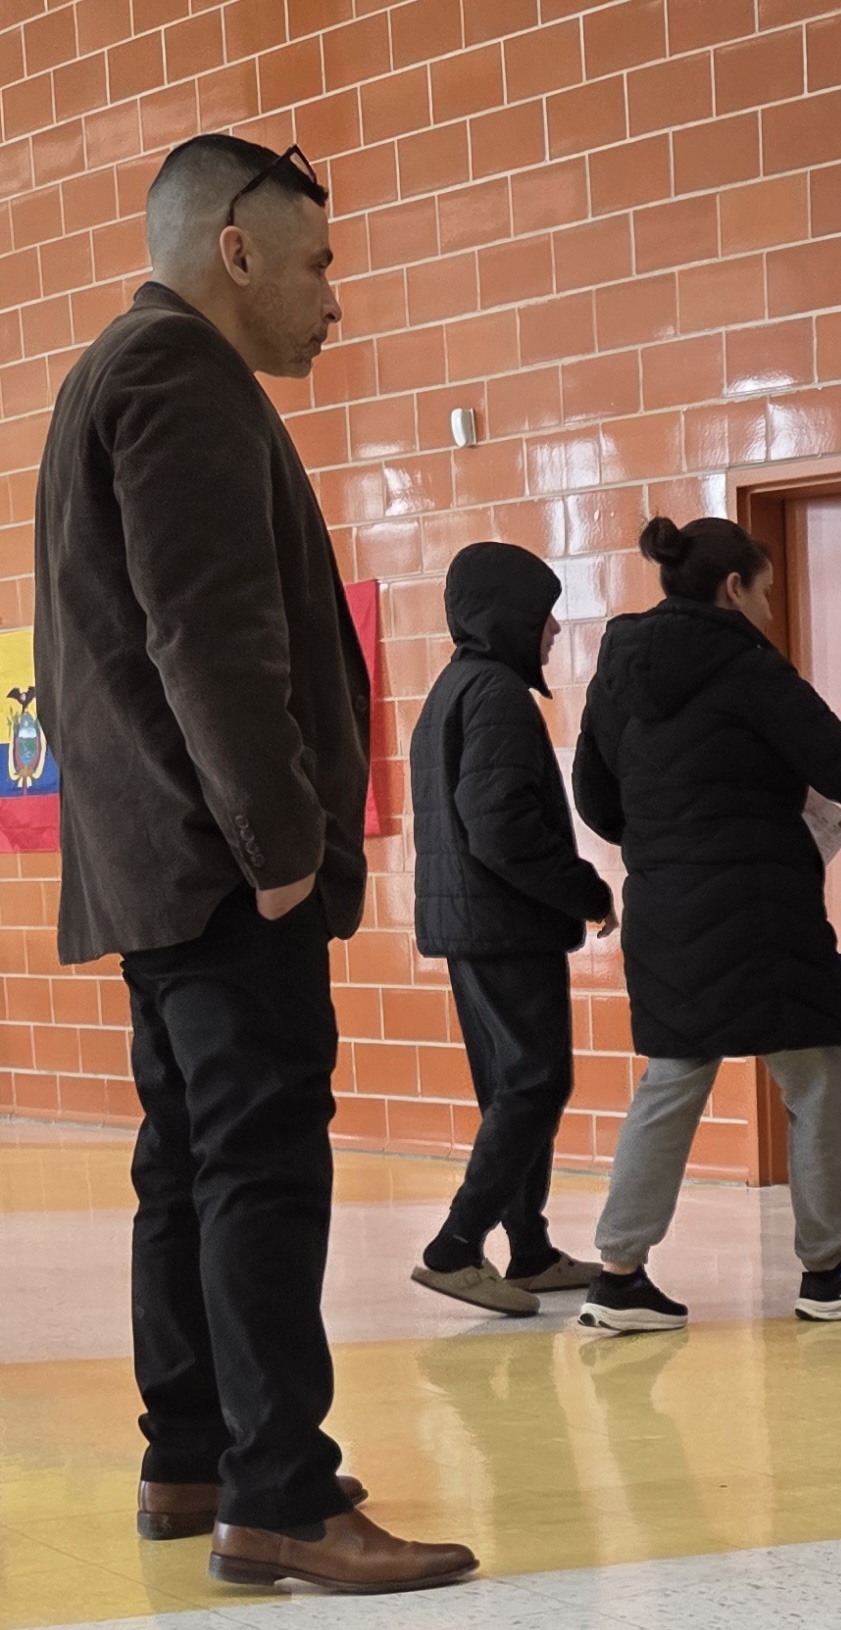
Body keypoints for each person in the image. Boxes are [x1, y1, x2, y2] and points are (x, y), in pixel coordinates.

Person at [34, 133, 474, 1590]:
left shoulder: (115, 369)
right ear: (235, 250)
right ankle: (284, 1488)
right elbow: (208, 635)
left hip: (162, 866)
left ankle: (194, 1452)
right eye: (317, 265)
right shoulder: (179, 378)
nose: (333, 300)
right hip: (222, 869)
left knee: (189, 1161)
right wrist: (283, 850)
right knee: (263, 1165)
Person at [572, 516, 841, 1332]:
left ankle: (617, 1276)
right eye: (768, 592)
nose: (772, 612)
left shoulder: (617, 672)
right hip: (763, 914)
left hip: (664, 912)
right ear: (733, 588)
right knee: (813, 1083)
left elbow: (596, 802)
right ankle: (824, 1273)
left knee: (672, 1082)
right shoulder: (751, 670)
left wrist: (672, 840)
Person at [407, 542, 618, 1318]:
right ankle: (455, 1248)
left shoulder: (452, 689)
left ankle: (527, 1250)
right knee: (535, 1083)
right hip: (504, 925)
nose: (555, 630)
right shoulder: (494, 692)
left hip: (473, 925)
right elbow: (500, 828)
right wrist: (585, 889)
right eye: (543, 614)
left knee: (514, 1086)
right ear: (509, 616)